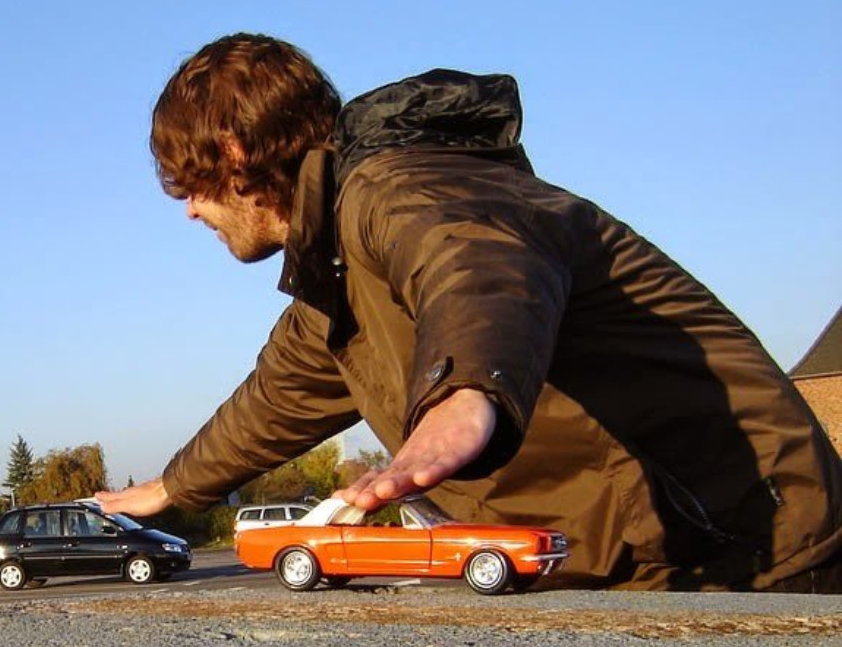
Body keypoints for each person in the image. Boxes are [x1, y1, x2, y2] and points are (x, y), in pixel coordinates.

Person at [96, 33, 842, 591]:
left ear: (232, 153)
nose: (192, 211)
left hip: (760, 543)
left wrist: (463, 396)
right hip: (658, 560)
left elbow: (475, 266)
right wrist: (165, 491)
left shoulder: (402, 186)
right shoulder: (338, 280)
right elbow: (268, 404)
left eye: (189, 184)